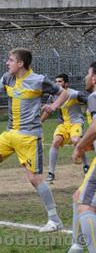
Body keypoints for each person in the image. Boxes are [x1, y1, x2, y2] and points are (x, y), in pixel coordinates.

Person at [0, 47, 69, 232]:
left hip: (29, 136)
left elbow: (62, 92)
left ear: (20, 63)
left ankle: (54, 220)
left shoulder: (38, 80)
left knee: (35, 179)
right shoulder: (7, 77)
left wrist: (54, 106)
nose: (7, 63)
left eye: (10, 60)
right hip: (9, 133)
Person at [68, 62, 96, 253]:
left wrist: (79, 145)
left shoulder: (94, 96)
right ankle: (76, 247)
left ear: (94, 78)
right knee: (79, 196)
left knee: (85, 207)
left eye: (88, 74)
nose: (85, 78)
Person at [41, 73, 89, 182]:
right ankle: (51, 173)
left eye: (60, 82)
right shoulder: (53, 96)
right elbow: (48, 111)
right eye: (56, 82)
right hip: (63, 125)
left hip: (76, 123)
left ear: (66, 84)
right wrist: (40, 122)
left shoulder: (74, 94)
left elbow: (89, 99)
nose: (57, 84)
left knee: (76, 140)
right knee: (55, 142)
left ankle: (86, 166)